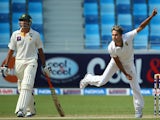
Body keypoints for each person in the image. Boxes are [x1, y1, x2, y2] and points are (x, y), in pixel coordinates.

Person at [80, 9, 157, 118]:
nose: (114, 37)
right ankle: (88, 78)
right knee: (102, 81)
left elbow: (141, 27)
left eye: (116, 35)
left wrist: (151, 16)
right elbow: (117, 61)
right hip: (116, 62)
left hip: (129, 63)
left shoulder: (128, 37)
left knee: (135, 86)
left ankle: (138, 110)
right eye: (112, 35)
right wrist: (125, 74)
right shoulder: (111, 47)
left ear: (121, 35)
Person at [2, 14, 50, 117]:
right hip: (18, 62)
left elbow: (40, 51)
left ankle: (20, 110)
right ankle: (31, 110)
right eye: (21, 20)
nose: (23, 22)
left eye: (25, 21)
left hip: (31, 61)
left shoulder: (35, 35)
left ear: (29, 22)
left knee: (27, 84)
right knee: (22, 88)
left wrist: (44, 65)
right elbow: (11, 51)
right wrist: (6, 65)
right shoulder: (15, 34)